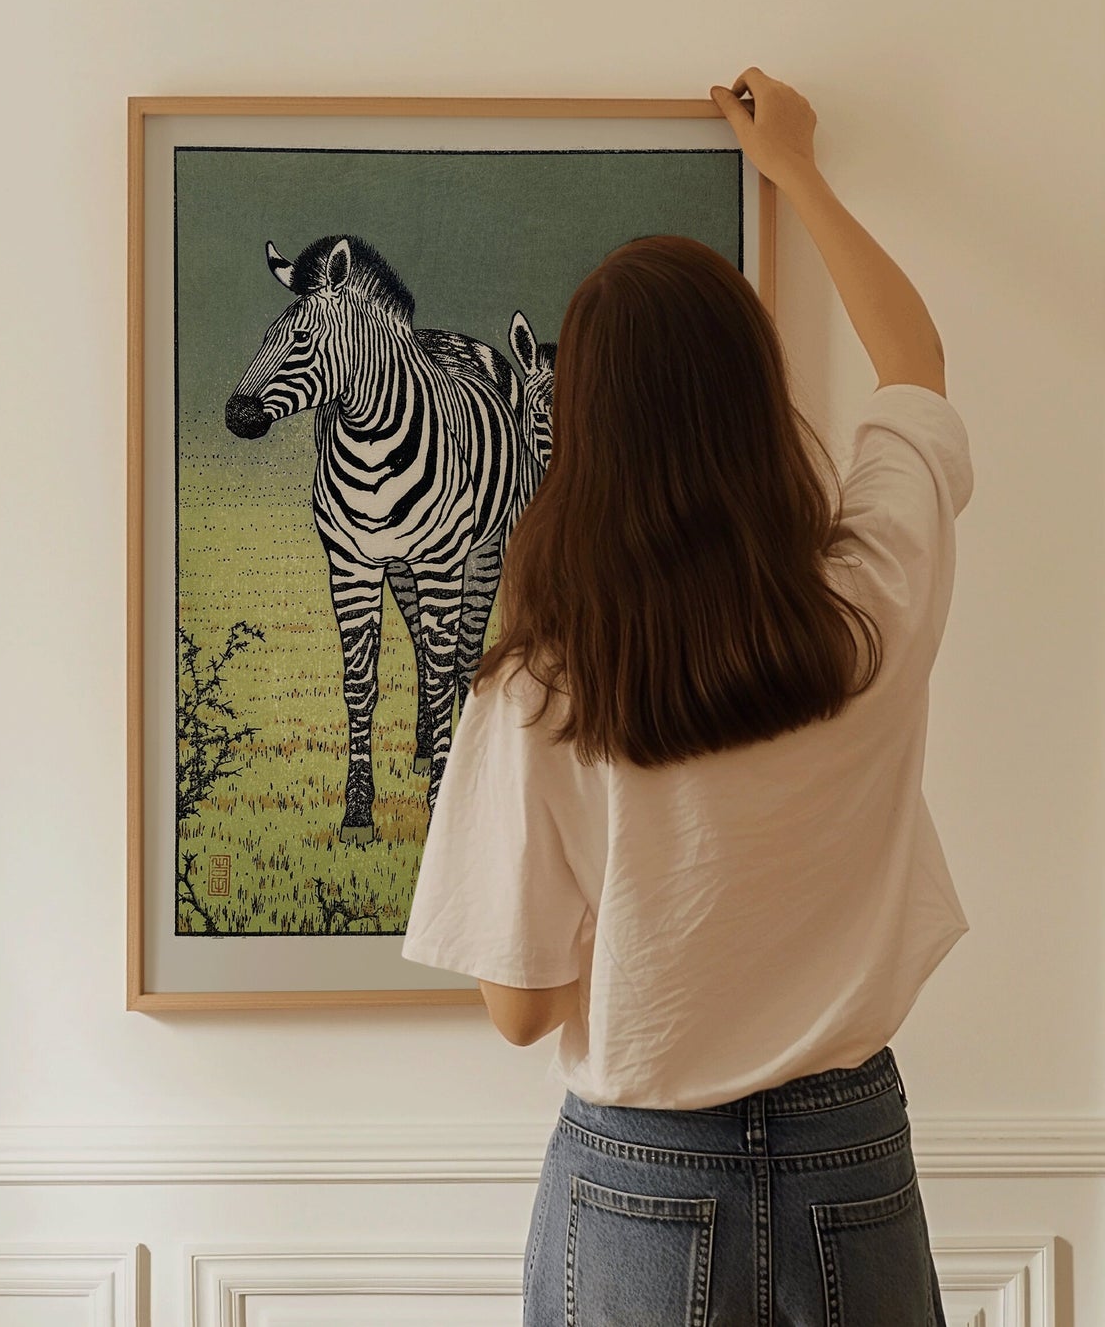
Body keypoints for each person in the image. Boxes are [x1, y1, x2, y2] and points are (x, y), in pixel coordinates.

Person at [400, 66, 967, 1327]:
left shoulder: (543, 682)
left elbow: (518, 1007)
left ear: (582, 431)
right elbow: (914, 365)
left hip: (637, 1181)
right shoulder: (869, 597)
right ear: (757, 400)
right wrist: (799, 173)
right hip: (849, 1158)